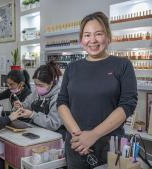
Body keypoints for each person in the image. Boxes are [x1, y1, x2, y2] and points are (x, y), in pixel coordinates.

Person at [57, 11, 137, 169]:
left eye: (98, 34)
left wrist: (93, 135)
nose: (92, 40)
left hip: (110, 147)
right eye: (87, 35)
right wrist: (79, 137)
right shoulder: (72, 68)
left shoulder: (122, 65)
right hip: (76, 146)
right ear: (81, 39)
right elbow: (62, 102)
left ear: (108, 37)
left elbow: (128, 105)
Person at [14, 61, 66, 138]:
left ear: (51, 83)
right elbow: (27, 104)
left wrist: (32, 115)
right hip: (38, 131)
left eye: (40, 85)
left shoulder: (59, 97)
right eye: (35, 84)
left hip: (54, 135)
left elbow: (53, 124)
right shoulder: (37, 91)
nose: (37, 88)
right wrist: (21, 105)